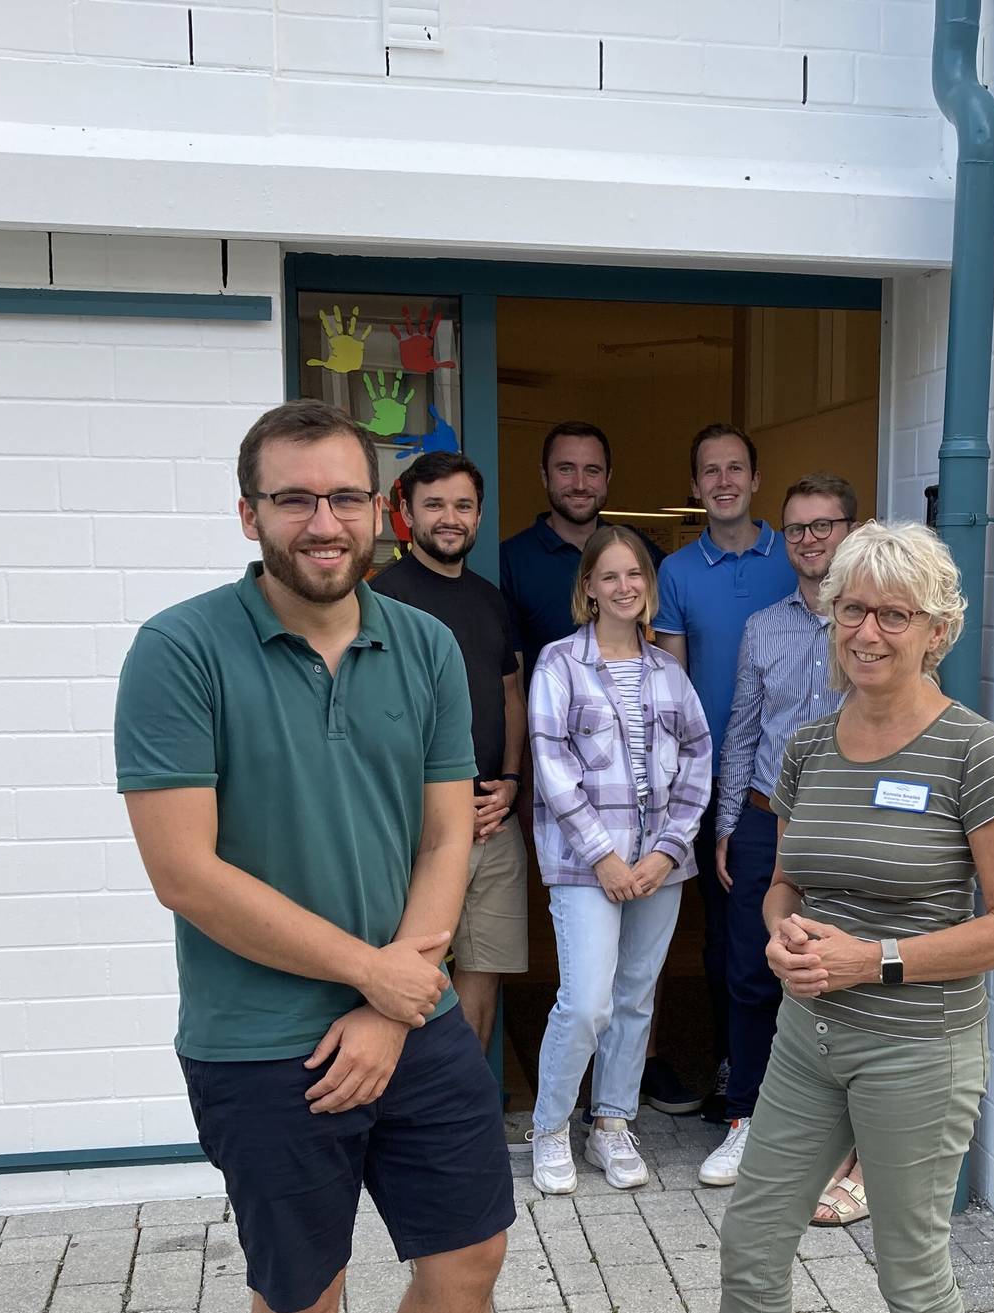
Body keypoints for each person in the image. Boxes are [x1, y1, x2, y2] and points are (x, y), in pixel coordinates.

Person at [115, 401, 510, 1313]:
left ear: (381, 510)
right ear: (250, 515)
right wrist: (376, 977)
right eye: (293, 499)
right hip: (262, 1038)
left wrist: (394, 998)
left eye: (344, 498)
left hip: (415, 1015)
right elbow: (186, 873)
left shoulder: (427, 646)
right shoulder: (180, 651)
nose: (323, 523)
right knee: (306, 1291)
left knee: (471, 1257)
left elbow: (449, 836)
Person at [718, 521, 994, 1313]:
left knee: (909, 1268)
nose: (866, 632)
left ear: (936, 630)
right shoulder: (807, 747)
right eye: (852, 609)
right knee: (751, 1240)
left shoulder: (975, 751)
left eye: (893, 615)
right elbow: (786, 883)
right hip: (807, 1037)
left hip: (918, 1052)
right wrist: (781, 934)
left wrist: (872, 959)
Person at [526, 527, 714, 1194]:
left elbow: (698, 763)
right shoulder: (557, 664)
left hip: (661, 868)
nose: (624, 586)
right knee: (585, 1002)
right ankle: (549, 1128)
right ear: (588, 588)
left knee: (635, 998)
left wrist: (667, 852)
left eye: (634, 574)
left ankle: (611, 1123)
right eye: (609, 575)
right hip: (586, 867)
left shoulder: (669, 671)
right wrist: (604, 856)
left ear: (648, 585)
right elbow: (551, 768)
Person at [697, 474, 856, 1195]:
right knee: (752, 972)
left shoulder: (874, 622)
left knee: (835, 976)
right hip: (765, 820)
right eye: (796, 528)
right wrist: (728, 824)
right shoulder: (765, 626)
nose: (810, 539)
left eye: (823, 525)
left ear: (851, 529)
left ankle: (835, 1136)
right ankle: (745, 1121)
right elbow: (741, 731)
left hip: (847, 824)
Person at [652, 424, 798, 1119]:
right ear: (695, 484)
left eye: (735, 467)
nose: (723, 480)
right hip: (713, 781)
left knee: (797, 924)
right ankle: (732, 1063)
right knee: (726, 934)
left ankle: (795, 1083)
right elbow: (672, 682)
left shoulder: (794, 556)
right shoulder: (676, 572)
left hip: (787, 780)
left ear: (756, 478)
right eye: (709, 470)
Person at [371, 450, 529, 1049]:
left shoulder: (491, 601)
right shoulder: (380, 602)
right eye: (434, 504)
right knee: (413, 972)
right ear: (405, 512)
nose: (449, 518)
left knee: (483, 970)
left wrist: (511, 781)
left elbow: (510, 697)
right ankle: (414, 1120)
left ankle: (466, 1113)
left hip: (493, 820)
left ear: (479, 515)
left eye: (462, 505)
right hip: (417, 827)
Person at [499, 420, 665, 679]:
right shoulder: (511, 561)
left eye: (592, 471)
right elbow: (512, 683)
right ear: (545, 476)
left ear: (608, 477)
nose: (580, 484)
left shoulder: (637, 548)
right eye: (566, 469)